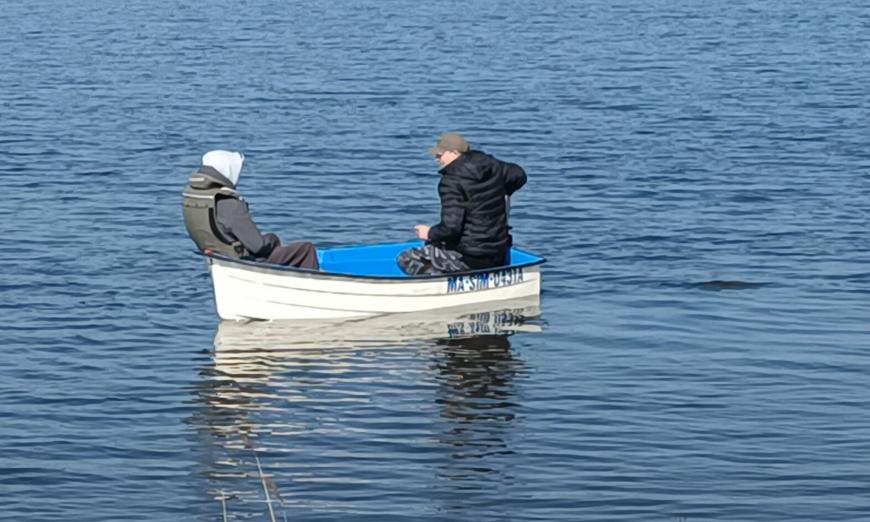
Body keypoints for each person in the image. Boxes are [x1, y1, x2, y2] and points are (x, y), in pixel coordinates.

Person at [397, 133, 527, 275]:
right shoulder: (492, 165)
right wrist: (501, 189)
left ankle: (442, 285)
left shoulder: (451, 182)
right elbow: (519, 175)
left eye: (440, 154)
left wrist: (429, 232)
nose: (437, 158)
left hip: (469, 257)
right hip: (499, 252)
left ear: (454, 153)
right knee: (434, 244)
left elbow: (451, 228)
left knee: (406, 258)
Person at [182, 150, 320, 269]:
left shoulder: (196, 197)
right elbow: (257, 246)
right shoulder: (228, 203)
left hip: (219, 256)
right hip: (243, 262)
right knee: (306, 249)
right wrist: (273, 241)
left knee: (271, 238)